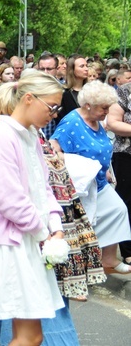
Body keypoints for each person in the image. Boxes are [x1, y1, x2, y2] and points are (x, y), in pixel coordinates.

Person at [0, 71, 68, 346]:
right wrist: (44, 234)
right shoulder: (2, 137)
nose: (54, 114)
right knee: (30, 337)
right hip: (11, 245)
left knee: (29, 336)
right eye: (51, 107)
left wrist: (56, 227)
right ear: (29, 98)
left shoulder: (30, 135)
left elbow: (44, 187)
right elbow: (10, 201)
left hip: (27, 241)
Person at [51, 80, 131, 274]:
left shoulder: (95, 120)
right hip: (81, 183)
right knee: (84, 224)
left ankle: (109, 258)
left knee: (118, 210)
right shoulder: (72, 121)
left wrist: (106, 168)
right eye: (103, 108)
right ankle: (76, 265)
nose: (106, 112)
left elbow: (101, 149)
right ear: (88, 105)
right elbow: (54, 146)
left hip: (100, 180)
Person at [107, 80, 131, 266]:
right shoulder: (124, 91)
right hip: (126, 154)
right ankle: (128, 250)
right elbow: (113, 123)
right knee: (126, 202)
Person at [55, 54, 88, 125]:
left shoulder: (91, 91)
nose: (86, 69)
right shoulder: (64, 93)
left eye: (86, 66)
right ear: (72, 70)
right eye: (82, 66)